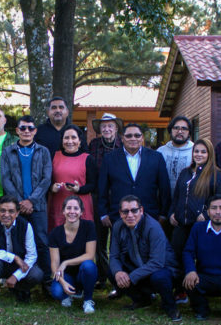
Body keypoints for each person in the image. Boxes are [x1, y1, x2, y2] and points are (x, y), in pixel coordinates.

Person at [168, 139, 221, 303]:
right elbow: (177, 196)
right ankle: (180, 290)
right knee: (177, 255)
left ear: (209, 154)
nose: (199, 154)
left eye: (203, 152)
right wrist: (172, 213)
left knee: (199, 258)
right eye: (196, 151)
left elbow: (220, 198)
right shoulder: (185, 172)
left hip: (201, 225)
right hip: (181, 223)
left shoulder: (217, 174)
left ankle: (198, 290)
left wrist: (207, 214)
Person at [109, 195, 182, 322]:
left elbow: (157, 262)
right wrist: (118, 272)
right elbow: (114, 256)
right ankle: (142, 300)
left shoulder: (153, 227)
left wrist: (131, 277)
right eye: (125, 211)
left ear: (141, 210)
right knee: (113, 272)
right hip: (138, 267)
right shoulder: (118, 226)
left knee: (159, 277)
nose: (130, 215)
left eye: (134, 210)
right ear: (120, 213)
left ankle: (170, 306)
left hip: (163, 269)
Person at [1, 115, 53, 278]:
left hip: (37, 206)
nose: (26, 131)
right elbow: (5, 178)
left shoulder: (43, 151)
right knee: (17, 244)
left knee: (42, 243)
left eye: (30, 128)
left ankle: (45, 280)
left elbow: (46, 179)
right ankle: (18, 281)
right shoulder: (7, 151)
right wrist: (20, 203)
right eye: (23, 128)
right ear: (17, 130)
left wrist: (31, 200)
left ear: (35, 131)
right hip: (15, 208)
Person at [98, 123, 170, 229]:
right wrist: (103, 213)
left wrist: (163, 214)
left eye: (137, 135)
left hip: (149, 216)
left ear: (142, 138)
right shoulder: (109, 159)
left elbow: (164, 188)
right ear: (122, 138)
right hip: (119, 216)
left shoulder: (156, 158)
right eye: (129, 136)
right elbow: (102, 188)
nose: (133, 138)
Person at [0, 195, 44, 307]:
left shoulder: (25, 225)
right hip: (0, 262)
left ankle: (20, 289)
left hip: (18, 266)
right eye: (2, 211)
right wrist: (14, 257)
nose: (6, 215)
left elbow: (32, 255)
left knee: (36, 274)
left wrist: (16, 276)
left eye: (11, 211)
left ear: (17, 213)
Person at [88, 113, 123, 292]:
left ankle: (120, 280)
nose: (107, 129)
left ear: (116, 128)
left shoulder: (123, 145)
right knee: (99, 241)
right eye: (104, 126)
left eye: (110, 126)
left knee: (118, 242)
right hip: (98, 197)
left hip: (118, 199)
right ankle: (102, 277)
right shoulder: (93, 145)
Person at [48, 196, 99, 314]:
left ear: (81, 212)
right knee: (56, 292)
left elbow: (90, 255)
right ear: (63, 211)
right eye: (68, 208)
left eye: (76, 208)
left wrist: (66, 262)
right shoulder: (55, 233)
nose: (72, 212)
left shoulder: (89, 226)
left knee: (89, 266)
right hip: (66, 274)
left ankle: (87, 300)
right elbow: (55, 263)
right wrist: (61, 281)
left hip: (83, 272)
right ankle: (69, 293)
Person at [48, 124, 96, 230]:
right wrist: (52, 187)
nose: (70, 141)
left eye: (73, 137)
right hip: (58, 205)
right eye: (66, 138)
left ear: (79, 141)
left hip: (81, 206)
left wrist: (79, 189)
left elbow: (93, 185)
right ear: (62, 140)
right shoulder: (53, 156)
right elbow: (47, 180)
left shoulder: (88, 159)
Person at [157, 116, 194, 200]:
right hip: (163, 201)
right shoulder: (160, 152)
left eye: (184, 128)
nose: (180, 131)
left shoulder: (195, 151)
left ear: (189, 132)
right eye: (176, 128)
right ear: (170, 130)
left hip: (188, 201)